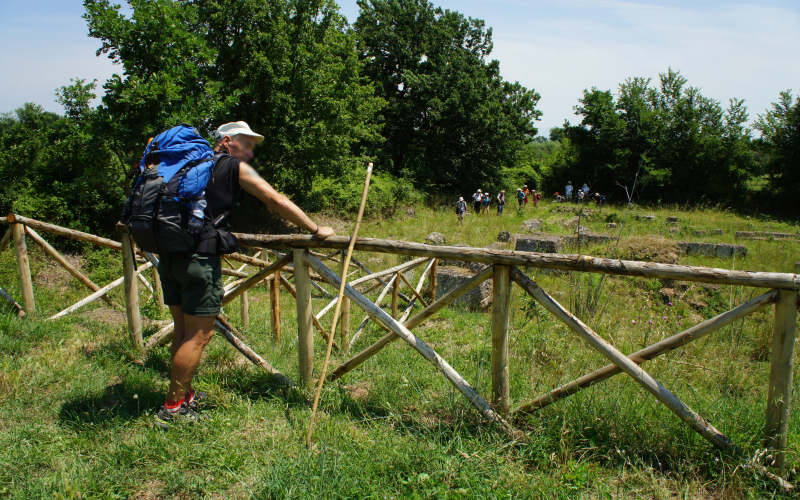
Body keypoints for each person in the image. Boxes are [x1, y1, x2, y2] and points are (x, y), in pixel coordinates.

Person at [154, 121, 335, 428]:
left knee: (183, 329)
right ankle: (173, 408)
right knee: (199, 335)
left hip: (169, 255)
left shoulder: (186, 164)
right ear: (227, 141)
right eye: (247, 144)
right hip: (199, 257)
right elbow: (275, 199)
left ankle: (183, 395)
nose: (250, 152)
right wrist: (315, 229)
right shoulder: (230, 166)